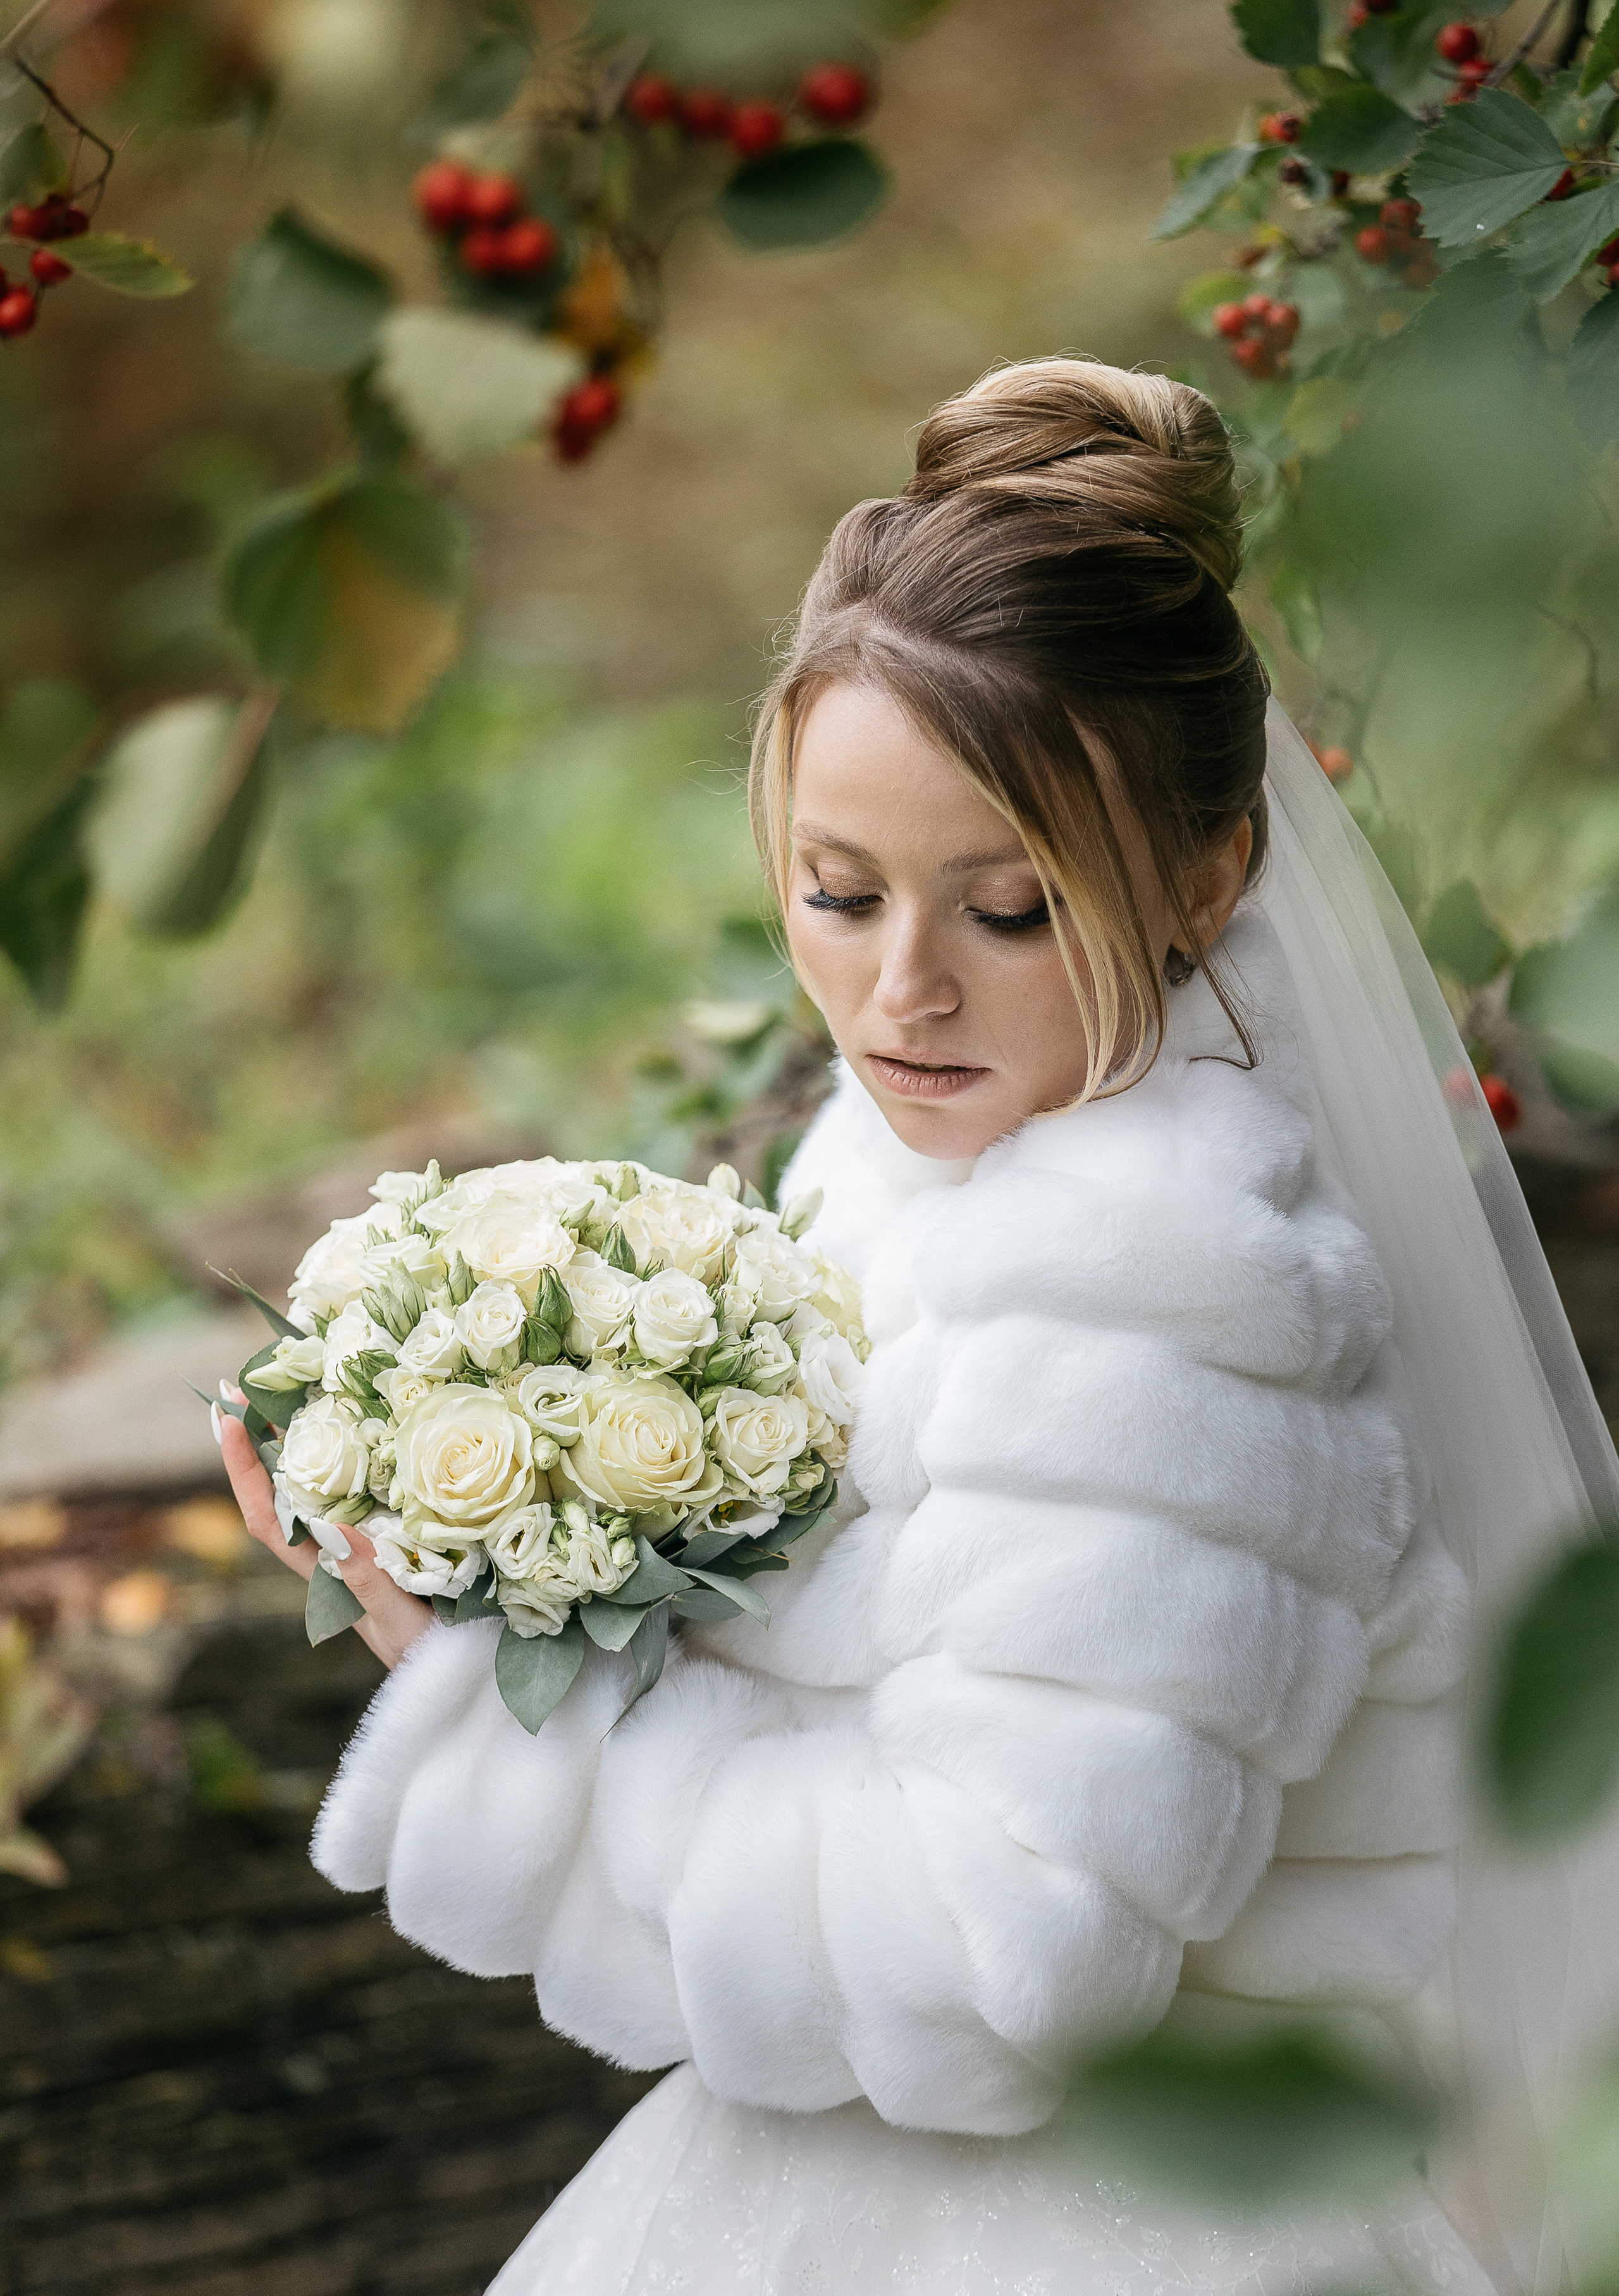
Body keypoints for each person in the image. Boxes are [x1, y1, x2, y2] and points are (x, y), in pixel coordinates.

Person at [219, 360, 1616, 2295]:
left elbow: (1002, 1965)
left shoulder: (1159, 1305)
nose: (904, 997)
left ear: (1209, 876)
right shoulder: (921, 1178)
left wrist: (501, 1710)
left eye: (1012, 909)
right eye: (839, 893)